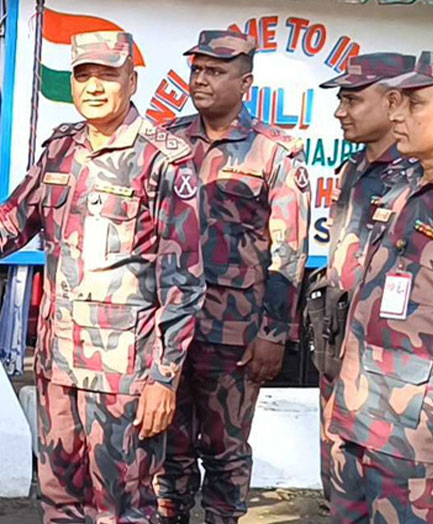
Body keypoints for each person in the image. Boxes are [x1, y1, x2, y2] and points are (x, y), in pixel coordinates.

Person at [0, 31, 204, 524]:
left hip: (124, 378)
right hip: (57, 365)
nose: (94, 86)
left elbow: (183, 282)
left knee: (123, 510)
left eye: (107, 74)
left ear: (132, 80)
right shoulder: (60, 150)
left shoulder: (164, 161)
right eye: (83, 75)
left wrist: (164, 379)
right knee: (59, 505)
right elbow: (7, 223)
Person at [156, 30, 310, 524]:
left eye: (215, 72)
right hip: (171, 327)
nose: (200, 79)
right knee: (168, 447)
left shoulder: (273, 153)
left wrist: (274, 333)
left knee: (225, 450)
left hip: (236, 332)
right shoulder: (167, 143)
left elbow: (288, 252)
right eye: (197, 69)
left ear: (245, 82)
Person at [327, 51, 433, 524]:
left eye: (414, 104)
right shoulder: (401, 184)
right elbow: (369, 299)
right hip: (359, 422)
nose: (396, 111)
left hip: (427, 446)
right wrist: (341, 394)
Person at [313, 52, 415, 508]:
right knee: (341, 491)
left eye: (352, 100)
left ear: (393, 101)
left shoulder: (420, 174)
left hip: (394, 373)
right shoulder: (356, 169)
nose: (340, 111)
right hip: (340, 357)